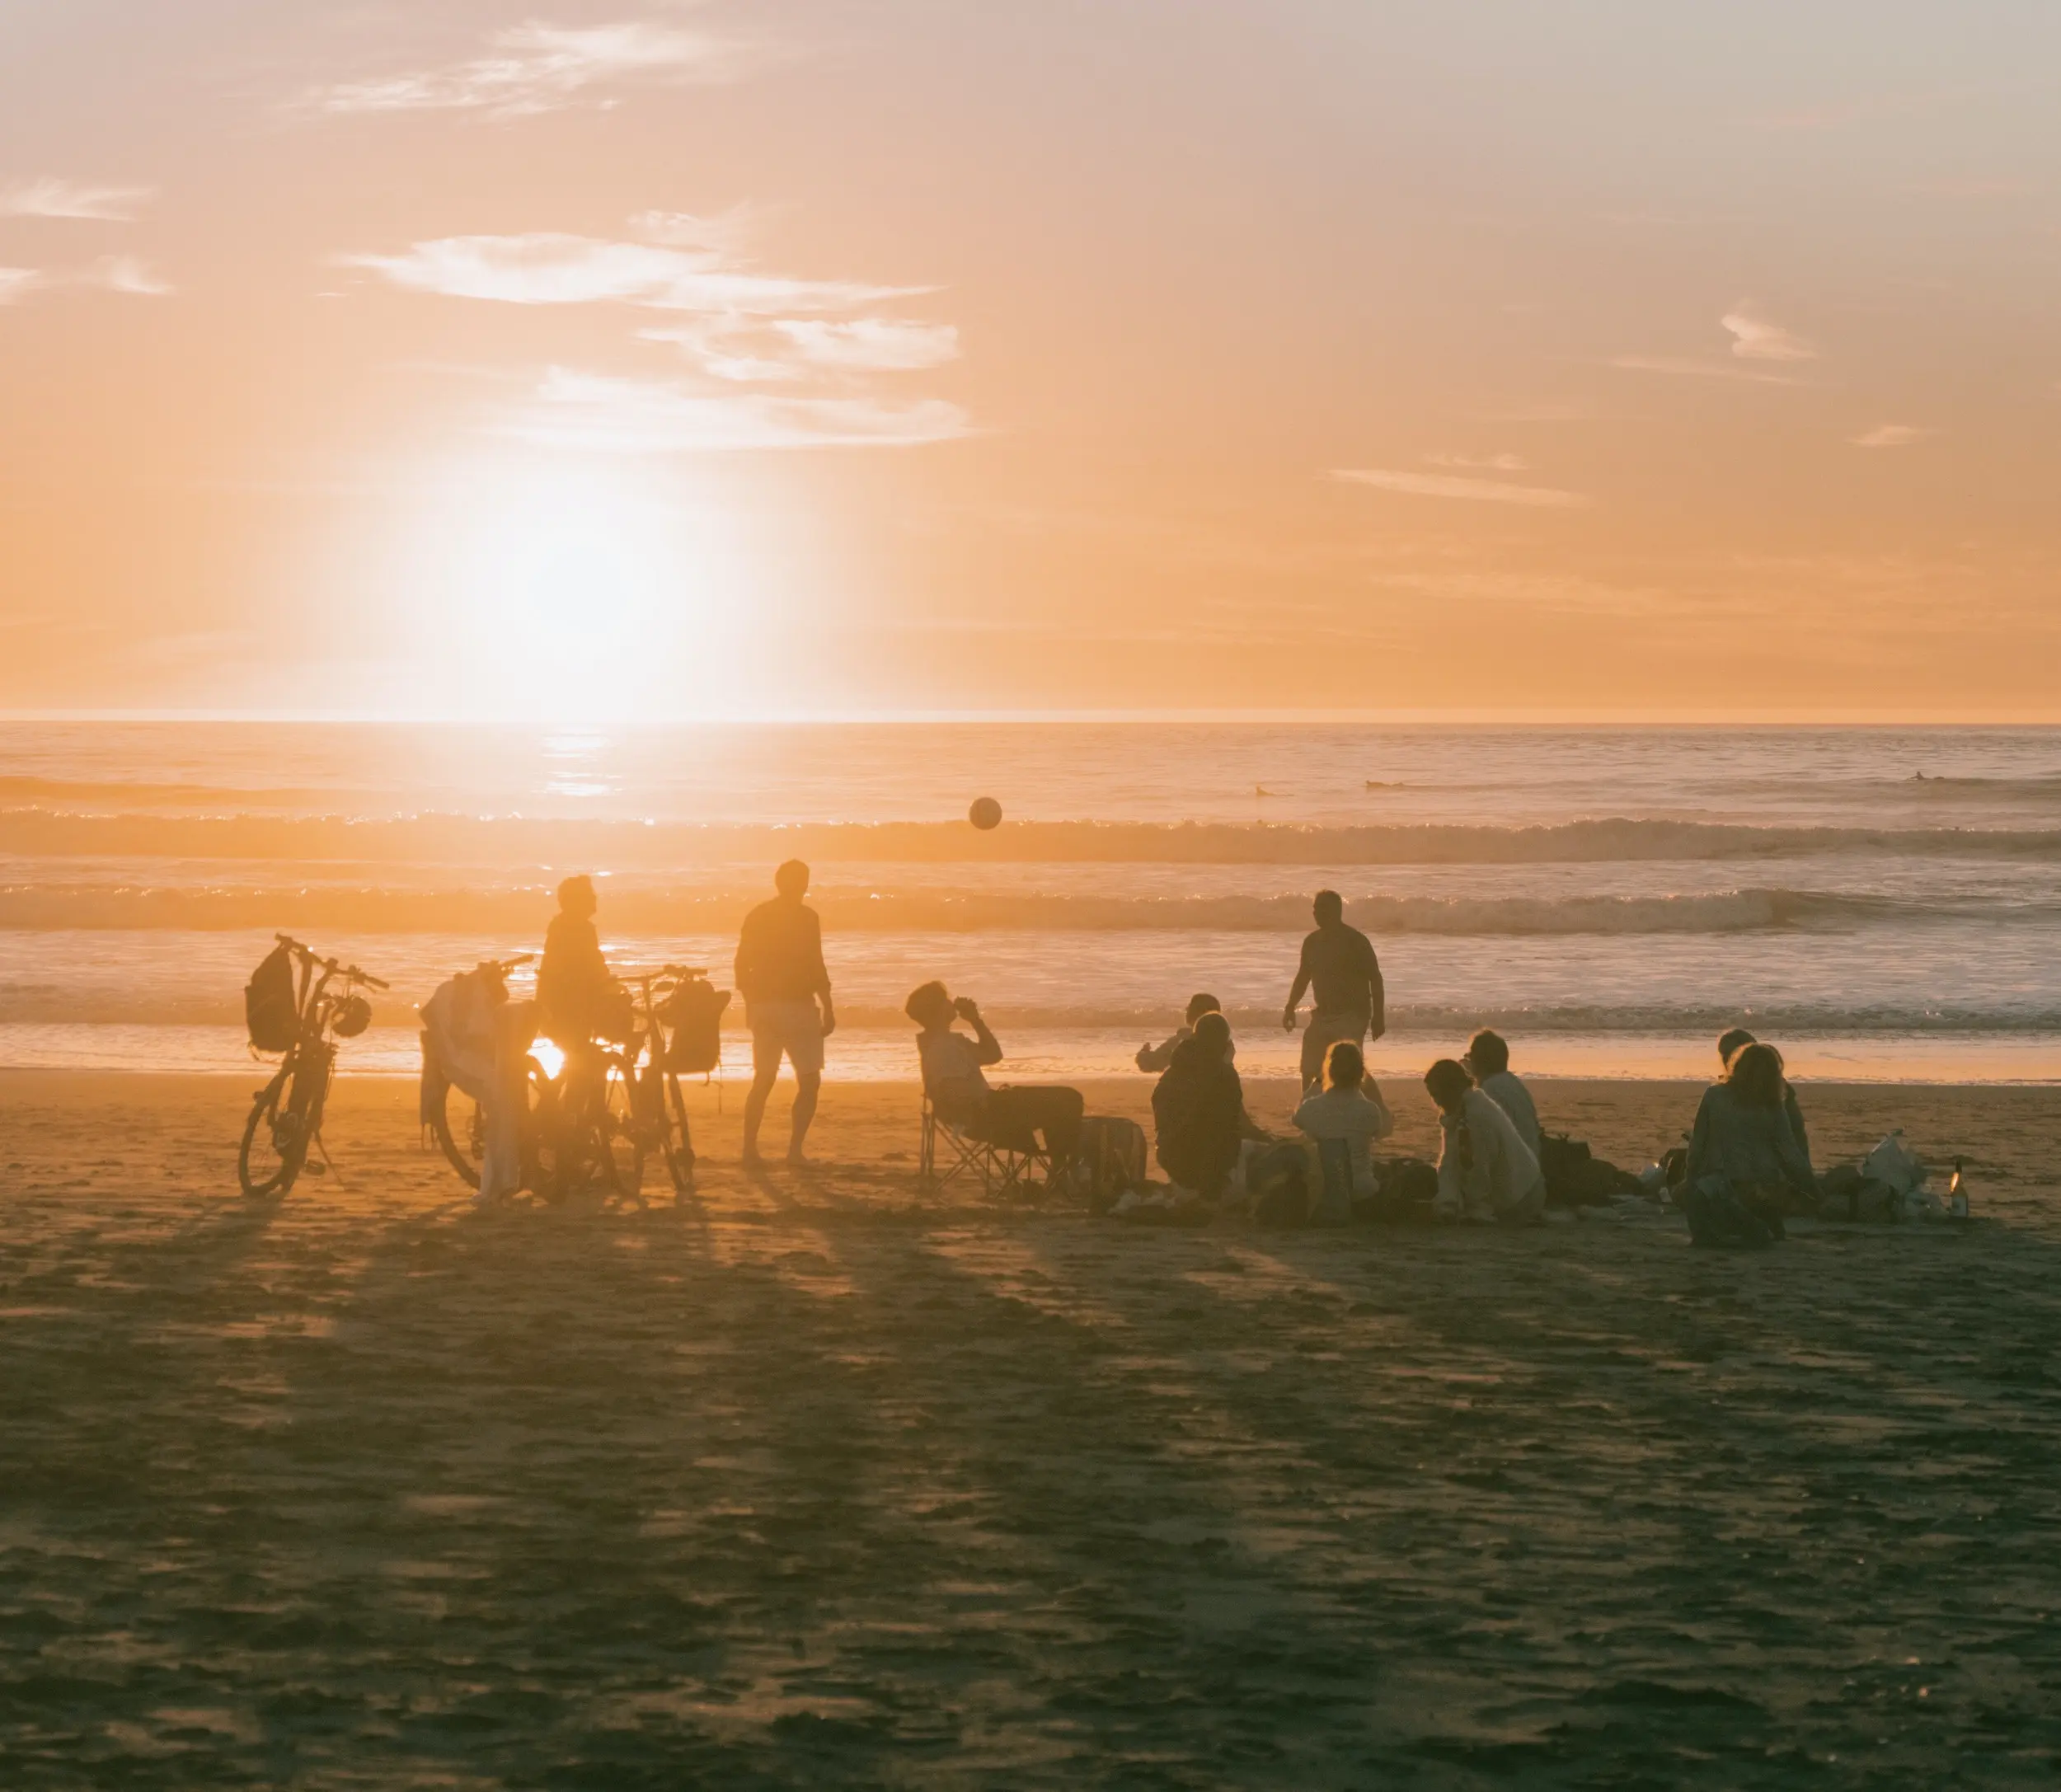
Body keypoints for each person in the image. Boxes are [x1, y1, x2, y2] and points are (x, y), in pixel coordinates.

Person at [907, 982, 1082, 1173]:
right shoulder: (941, 1048)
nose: (951, 1003)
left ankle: (1061, 1169)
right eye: (945, 1000)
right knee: (1067, 1099)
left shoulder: (950, 1042)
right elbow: (954, 1093)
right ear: (938, 1010)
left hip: (986, 1108)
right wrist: (998, 1100)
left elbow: (993, 1055)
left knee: (1063, 1100)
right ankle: (1063, 1170)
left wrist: (975, 1020)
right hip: (984, 1114)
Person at [735, 860, 836, 1167]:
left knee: (764, 1079)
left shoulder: (760, 914)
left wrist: (751, 1000)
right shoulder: (806, 918)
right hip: (796, 1006)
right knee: (807, 1080)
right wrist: (828, 1006)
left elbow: (741, 964)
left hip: (770, 1006)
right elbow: (815, 965)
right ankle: (793, 1151)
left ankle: (750, 1149)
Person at [1685, 1042, 1817, 1227]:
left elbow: (1697, 1144)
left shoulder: (1714, 1095)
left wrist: (1690, 1179)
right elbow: (1791, 1153)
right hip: (1764, 1184)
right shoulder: (1772, 1105)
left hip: (1721, 1181)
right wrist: (1813, 1187)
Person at [1151, 1011, 1268, 1199]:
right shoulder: (1224, 1075)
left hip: (1171, 1157)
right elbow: (1236, 1125)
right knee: (1256, 1150)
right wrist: (1268, 1139)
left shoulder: (1169, 1075)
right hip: (1211, 1165)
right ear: (1224, 1043)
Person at [1283, 889, 1384, 1091]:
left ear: (1337, 910)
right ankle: (1308, 1104)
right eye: (1314, 908)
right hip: (1323, 1015)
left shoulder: (1356, 941)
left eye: (1321, 908)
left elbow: (1375, 978)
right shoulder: (1312, 942)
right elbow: (1303, 977)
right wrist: (1290, 1007)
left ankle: (1358, 1103)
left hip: (1353, 1015)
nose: (1316, 913)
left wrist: (1378, 1016)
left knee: (1349, 1069)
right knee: (1310, 1067)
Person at [1425, 1058, 1544, 1224]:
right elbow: (1448, 1162)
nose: (1435, 1101)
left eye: (1436, 1094)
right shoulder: (1459, 1112)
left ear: (1452, 1089)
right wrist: (1446, 1202)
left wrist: (1477, 1210)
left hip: (1522, 1195)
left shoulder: (1476, 1115)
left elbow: (1479, 1168)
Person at [1293, 1039, 1393, 1200]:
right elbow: (1384, 1129)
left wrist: (1319, 1081)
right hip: (1362, 1189)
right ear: (1361, 1072)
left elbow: (1297, 1116)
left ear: (1329, 1071)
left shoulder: (1311, 1107)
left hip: (1325, 1190)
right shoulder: (1370, 1110)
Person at [1717, 1027, 1813, 1178]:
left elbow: (1789, 1144)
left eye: (1730, 1055)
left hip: (1774, 1170)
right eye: (1723, 1056)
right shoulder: (1726, 1091)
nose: (1725, 1062)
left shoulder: (1775, 1093)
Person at [1463, 1029, 1541, 1161]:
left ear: (1480, 1060)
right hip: (1531, 1164)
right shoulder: (1513, 1082)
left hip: (1510, 1172)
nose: (1467, 1057)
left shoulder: (1487, 1091)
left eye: (1470, 1054)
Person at [1137, 992, 1225, 1072]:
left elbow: (1153, 1063)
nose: (1186, 1009)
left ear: (1196, 1012)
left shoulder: (1184, 1039)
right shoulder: (1224, 1043)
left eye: (1190, 1007)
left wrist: (1142, 1054)